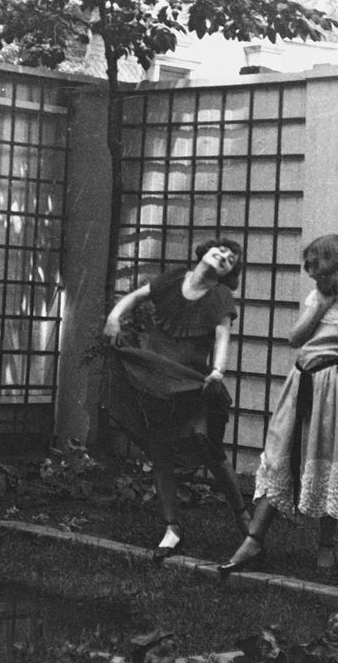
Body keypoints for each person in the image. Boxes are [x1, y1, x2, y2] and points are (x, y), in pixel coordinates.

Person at [220, 232, 338, 575]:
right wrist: (321, 305)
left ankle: (326, 545)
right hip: (300, 383)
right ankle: (254, 541)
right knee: (281, 455)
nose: (311, 272)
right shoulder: (317, 298)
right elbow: (296, 339)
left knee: (326, 456)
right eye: (309, 267)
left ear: (337, 264)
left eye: (317, 266)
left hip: (334, 389)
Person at [103, 238, 254, 560]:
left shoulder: (220, 296)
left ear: (229, 273)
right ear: (203, 252)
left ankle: (244, 518)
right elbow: (135, 296)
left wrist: (218, 371)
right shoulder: (172, 279)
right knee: (159, 450)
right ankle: (172, 529)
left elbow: (222, 335)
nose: (224, 256)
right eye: (221, 250)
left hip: (190, 384)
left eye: (231, 259)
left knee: (209, 449)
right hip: (155, 378)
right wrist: (114, 318)